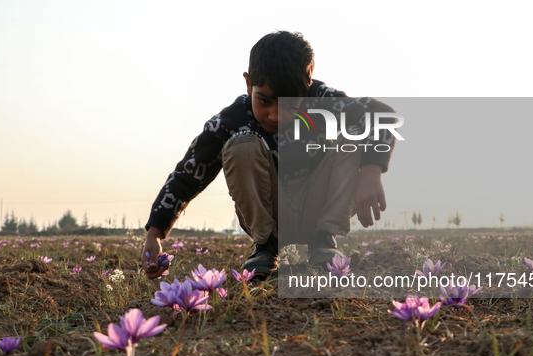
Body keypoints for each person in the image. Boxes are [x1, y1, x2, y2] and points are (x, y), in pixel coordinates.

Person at [141, 31, 397, 280]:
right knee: (239, 144)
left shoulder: (321, 100)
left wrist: (372, 171)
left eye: (289, 105)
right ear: (248, 82)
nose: (274, 115)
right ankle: (266, 245)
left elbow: (381, 115)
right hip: (272, 214)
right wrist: (155, 233)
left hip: (318, 207)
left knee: (352, 134)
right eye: (264, 101)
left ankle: (324, 238)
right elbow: (189, 172)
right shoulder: (232, 119)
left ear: (306, 88)